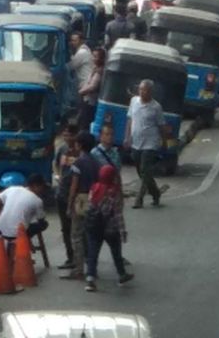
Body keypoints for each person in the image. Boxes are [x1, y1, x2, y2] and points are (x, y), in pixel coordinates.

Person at [83, 164, 133, 292]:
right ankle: (122, 275)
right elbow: (117, 213)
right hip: (110, 227)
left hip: (94, 226)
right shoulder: (113, 191)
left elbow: (90, 205)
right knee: (116, 252)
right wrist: (123, 231)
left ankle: (90, 279)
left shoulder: (94, 188)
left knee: (93, 253)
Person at [124, 80, 169, 209]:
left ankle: (139, 199)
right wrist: (127, 137)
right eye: (141, 90)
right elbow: (130, 120)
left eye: (145, 90)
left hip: (150, 144)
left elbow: (161, 126)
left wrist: (164, 142)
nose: (142, 92)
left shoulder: (156, 107)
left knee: (145, 169)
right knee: (142, 171)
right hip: (136, 142)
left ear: (151, 92)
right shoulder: (134, 102)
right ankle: (155, 192)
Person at [60, 132, 99, 280]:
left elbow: (74, 186)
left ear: (80, 145)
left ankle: (78, 269)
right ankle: (91, 268)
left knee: (76, 235)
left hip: (81, 200)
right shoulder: (96, 162)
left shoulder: (78, 163)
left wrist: (69, 204)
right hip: (94, 199)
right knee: (90, 235)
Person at [0, 174, 49, 242]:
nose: (43, 190)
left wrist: (0, 217)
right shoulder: (37, 200)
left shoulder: (13, 189)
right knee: (44, 224)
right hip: (17, 234)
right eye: (42, 187)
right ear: (36, 186)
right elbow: (41, 219)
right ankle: (26, 239)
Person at [53, 124, 79, 269]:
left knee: (78, 227)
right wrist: (58, 175)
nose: (66, 138)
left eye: (69, 135)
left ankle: (80, 255)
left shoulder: (80, 150)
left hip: (76, 195)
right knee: (66, 228)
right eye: (65, 135)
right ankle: (70, 257)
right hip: (62, 193)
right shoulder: (62, 149)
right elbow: (56, 164)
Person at [70, 32, 99, 130]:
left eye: (75, 40)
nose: (72, 42)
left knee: (83, 111)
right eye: (72, 40)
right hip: (86, 84)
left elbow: (71, 66)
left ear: (81, 41)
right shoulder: (84, 51)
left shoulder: (82, 53)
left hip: (85, 86)